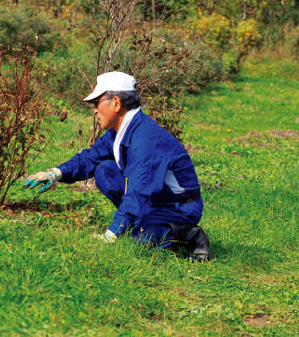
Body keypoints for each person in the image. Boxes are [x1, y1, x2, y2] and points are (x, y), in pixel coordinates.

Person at [23, 71, 209, 261]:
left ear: (116, 103)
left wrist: (111, 234)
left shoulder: (145, 138)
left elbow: (140, 191)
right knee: (104, 170)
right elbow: (90, 158)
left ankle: (189, 234)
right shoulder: (121, 131)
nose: (94, 110)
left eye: (97, 103)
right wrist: (56, 174)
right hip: (156, 200)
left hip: (178, 207)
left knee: (139, 240)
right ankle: (135, 222)